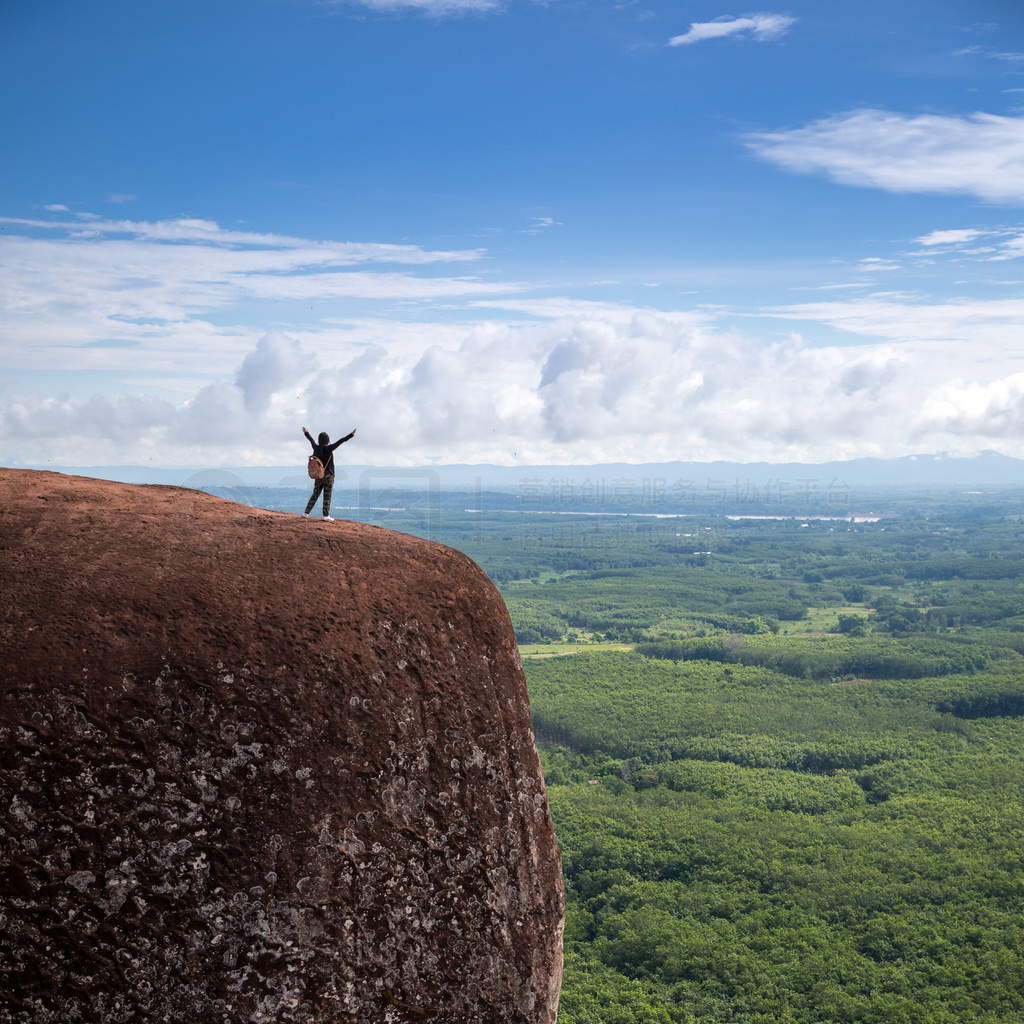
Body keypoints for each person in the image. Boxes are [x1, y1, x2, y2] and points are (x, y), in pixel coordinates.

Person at [302, 425, 356, 522]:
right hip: (329, 476)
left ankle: (306, 513)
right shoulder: (329, 448)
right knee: (327, 496)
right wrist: (351, 435)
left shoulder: (316, 448)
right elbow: (341, 441)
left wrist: (306, 432)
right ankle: (325, 515)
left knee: (315, 494)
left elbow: (311, 440)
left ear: (319, 440)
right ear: (327, 440)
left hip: (318, 475)